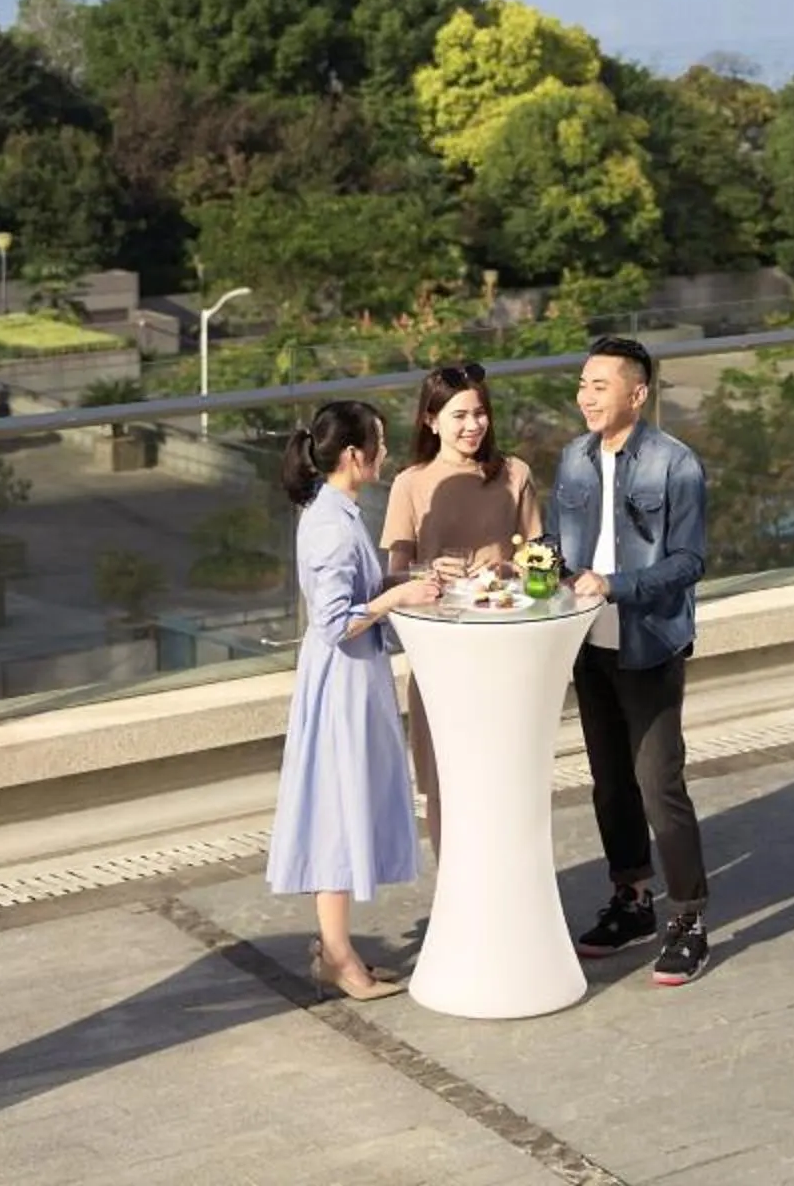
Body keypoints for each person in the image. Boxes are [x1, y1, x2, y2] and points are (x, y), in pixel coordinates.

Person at [549, 334, 711, 987]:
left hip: (649, 646)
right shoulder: (573, 460)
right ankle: (632, 898)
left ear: (636, 394)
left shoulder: (676, 465)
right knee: (610, 783)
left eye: (600, 385)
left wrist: (616, 584)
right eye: (583, 384)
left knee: (657, 786)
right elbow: (562, 545)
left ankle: (690, 919)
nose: (586, 396)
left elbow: (689, 562)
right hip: (588, 645)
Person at [266, 399, 439, 1000]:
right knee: (337, 813)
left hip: (349, 679)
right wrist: (397, 598)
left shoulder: (336, 512)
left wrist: (399, 585)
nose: (385, 454)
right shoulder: (330, 525)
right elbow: (336, 622)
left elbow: (353, 597)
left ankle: (338, 949)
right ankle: (338, 956)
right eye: (380, 444)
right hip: (341, 683)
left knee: (341, 807)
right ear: (352, 455)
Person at [383, 361, 544, 856]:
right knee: (442, 779)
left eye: (480, 414)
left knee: (505, 775)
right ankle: (453, 888)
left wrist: (509, 571)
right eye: (459, 416)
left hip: (506, 649)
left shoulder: (515, 474)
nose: (473, 425)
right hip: (441, 653)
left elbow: (543, 560)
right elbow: (393, 577)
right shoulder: (410, 484)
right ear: (431, 421)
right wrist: (427, 574)